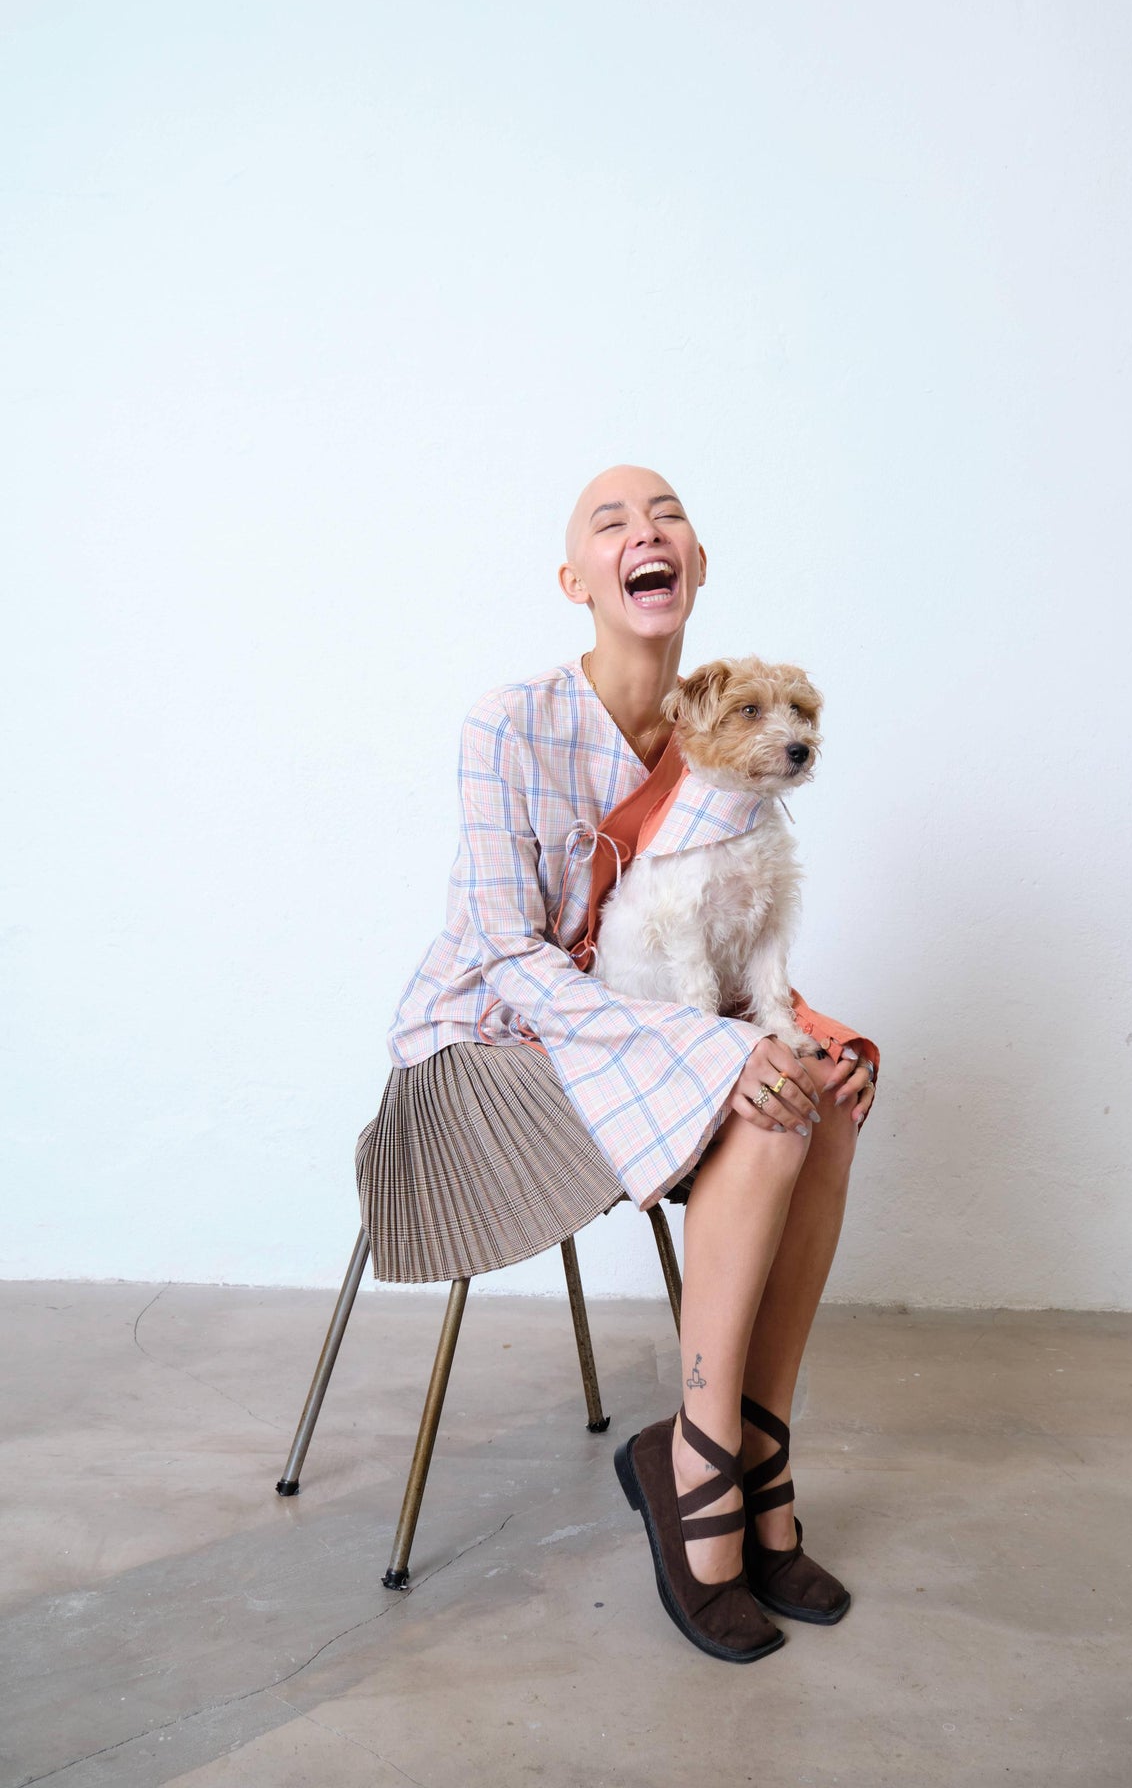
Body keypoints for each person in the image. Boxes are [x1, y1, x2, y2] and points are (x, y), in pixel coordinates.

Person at [357, 463, 878, 1662]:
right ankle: (700, 1469)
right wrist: (709, 1046)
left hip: (625, 1029)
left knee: (818, 1096)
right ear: (574, 579)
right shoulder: (510, 722)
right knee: (758, 1105)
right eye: (611, 521)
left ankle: (754, 1452)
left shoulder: (717, 736)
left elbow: (721, 940)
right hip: (486, 1048)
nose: (644, 531)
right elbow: (505, 950)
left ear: (693, 566)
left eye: (667, 515)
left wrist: (806, 1033)